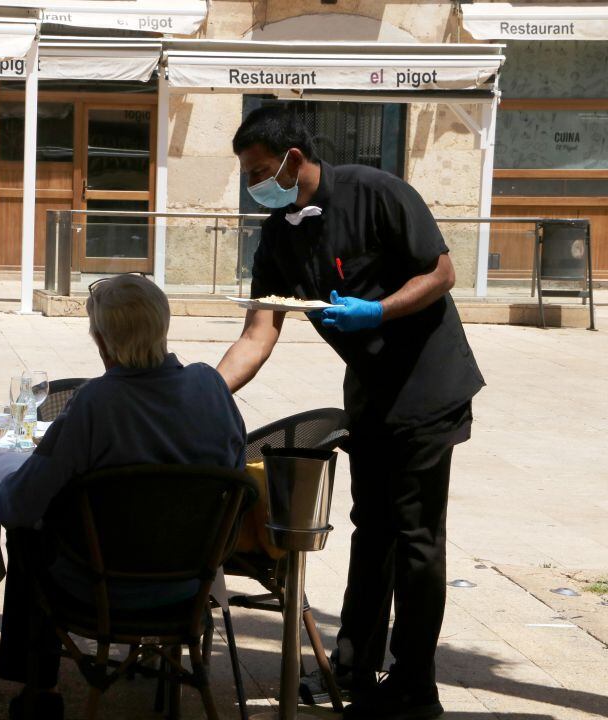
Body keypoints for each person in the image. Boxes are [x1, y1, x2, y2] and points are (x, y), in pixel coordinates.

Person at [217, 107, 485, 720]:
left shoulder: (378, 192)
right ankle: (355, 667)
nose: (257, 184)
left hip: (425, 385)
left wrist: (378, 311)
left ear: (292, 158)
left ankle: (417, 686)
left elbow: (441, 272)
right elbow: (259, 329)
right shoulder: (280, 233)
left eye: (261, 171)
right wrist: (204, 390)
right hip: (369, 392)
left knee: (416, 536)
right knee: (372, 529)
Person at [0, 274, 248, 720]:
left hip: (102, 587)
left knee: (26, 535)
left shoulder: (96, 401)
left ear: (101, 340)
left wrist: (5, 484)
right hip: (189, 585)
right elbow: (232, 475)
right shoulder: (210, 387)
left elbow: (20, 505)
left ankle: (41, 691)